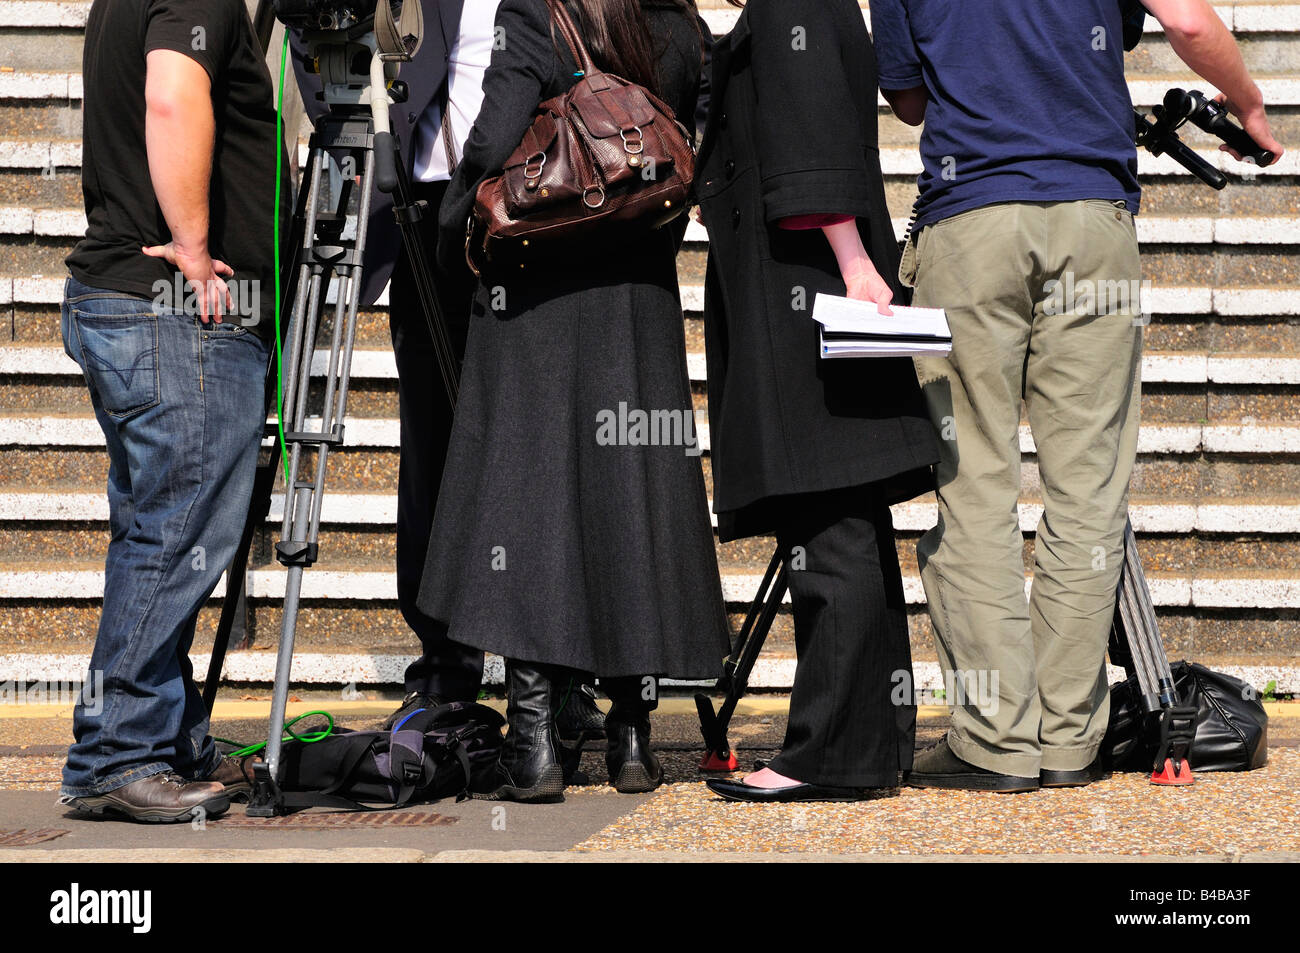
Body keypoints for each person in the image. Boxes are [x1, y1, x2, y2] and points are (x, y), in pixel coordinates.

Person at [871, 0, 1284, 792]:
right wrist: (1251, 104)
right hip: (1092, 223)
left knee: (975, 489)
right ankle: (1066, 739)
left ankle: (997, 741)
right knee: (1088, 492)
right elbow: (1191, 24)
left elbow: (910, 97)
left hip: (972, 223)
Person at [418, 0, 728, 802]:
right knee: (632, 498)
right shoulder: (677, 18)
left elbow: (491, 138)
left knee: (529, 503)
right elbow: (698, 133)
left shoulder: (537, 7)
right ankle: (631, 737)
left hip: (540, 289)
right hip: (638, 295)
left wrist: (457, 223)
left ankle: (535, 747)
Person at [697, 0, 941, 804]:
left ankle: (827, 751)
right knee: (846, 518)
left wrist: (855, 263)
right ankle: (869, 741)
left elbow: (810, 149)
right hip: (805, 285)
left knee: (826, 521)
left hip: (801, 291)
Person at [59, 0, 289, 821]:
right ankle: (117, 750)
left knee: (158, 528)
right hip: (172, 314)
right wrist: (193, 245)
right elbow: (169, 95)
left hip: (126, 306)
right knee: (175, 533)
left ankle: (167, 728)